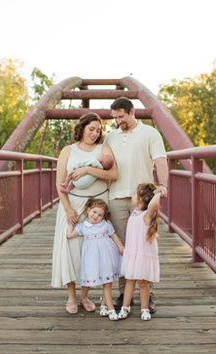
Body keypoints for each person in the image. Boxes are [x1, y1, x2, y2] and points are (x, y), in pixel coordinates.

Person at [104, 97, 168, 313]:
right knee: (122, 248)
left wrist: (163, 185)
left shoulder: (150, 133)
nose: (118, 121)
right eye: (114, 118)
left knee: (145, 246)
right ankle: (124, 294)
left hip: (143, 199)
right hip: (116, 196)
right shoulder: (110, 137)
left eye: (121, 116)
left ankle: (147, 296)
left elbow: (160, 160)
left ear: (132, 111)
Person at [51, 112, 117, 315]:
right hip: (73, 204)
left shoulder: (103, 149)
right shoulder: (67, 151)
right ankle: (71, 296)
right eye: (91, 129)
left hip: (97, 205)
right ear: (82, 128)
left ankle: (85, 295)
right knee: (70, 249)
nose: (95, 133)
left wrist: (88, 170)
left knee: (92, 250)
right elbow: (60, 183)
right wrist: (68, 209)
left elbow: (113, 174)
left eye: (98, 130)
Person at [66, 198, 124, 320]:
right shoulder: (83, 226)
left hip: (107, 256)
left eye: (100, 215)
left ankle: (107, 307)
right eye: (94, 212)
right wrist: (71, 225)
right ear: (88, 210)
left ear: (103, 217)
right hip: (93, 258)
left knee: (108, 282)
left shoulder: (106, 224)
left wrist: (120, 247)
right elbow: (69, 235)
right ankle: (105, 306)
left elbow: (113, 235)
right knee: (98, 280)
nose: (96, 216)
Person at [118, 183, 161, 321]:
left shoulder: (146, 215)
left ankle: (144, 308)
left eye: (134, 194)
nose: (132, 197)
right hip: (132, 253)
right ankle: (125, 306)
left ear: (141, 199)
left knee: (143, 282)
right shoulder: (135, 212)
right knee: (129, 280)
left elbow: (153, 205)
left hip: (143, 254)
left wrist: (159, 193)